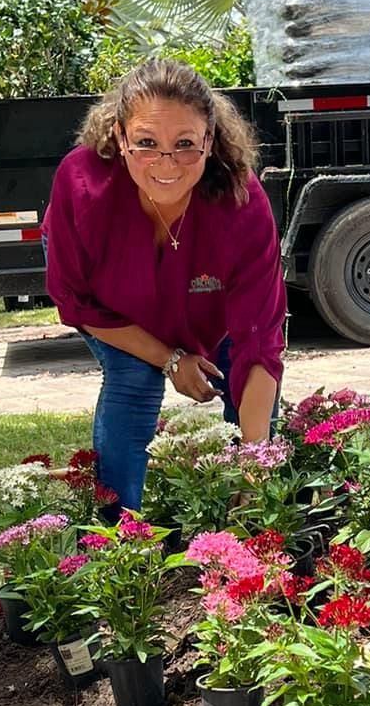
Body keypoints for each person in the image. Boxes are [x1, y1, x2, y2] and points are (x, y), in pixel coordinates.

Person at [42, 58, 286, 517]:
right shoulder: (81, 184)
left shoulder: (241, 202)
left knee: (239, 373)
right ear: (120, 137)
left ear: (210, 142)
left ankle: (253, 518)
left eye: (186, 145)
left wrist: (256, 474)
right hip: (109, 304)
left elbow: (259, 336)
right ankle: (117, 537)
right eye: (147, 144)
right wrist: (171, 359)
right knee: (134, 379)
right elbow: (77, 302)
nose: (166, 164)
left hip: (208, 307)